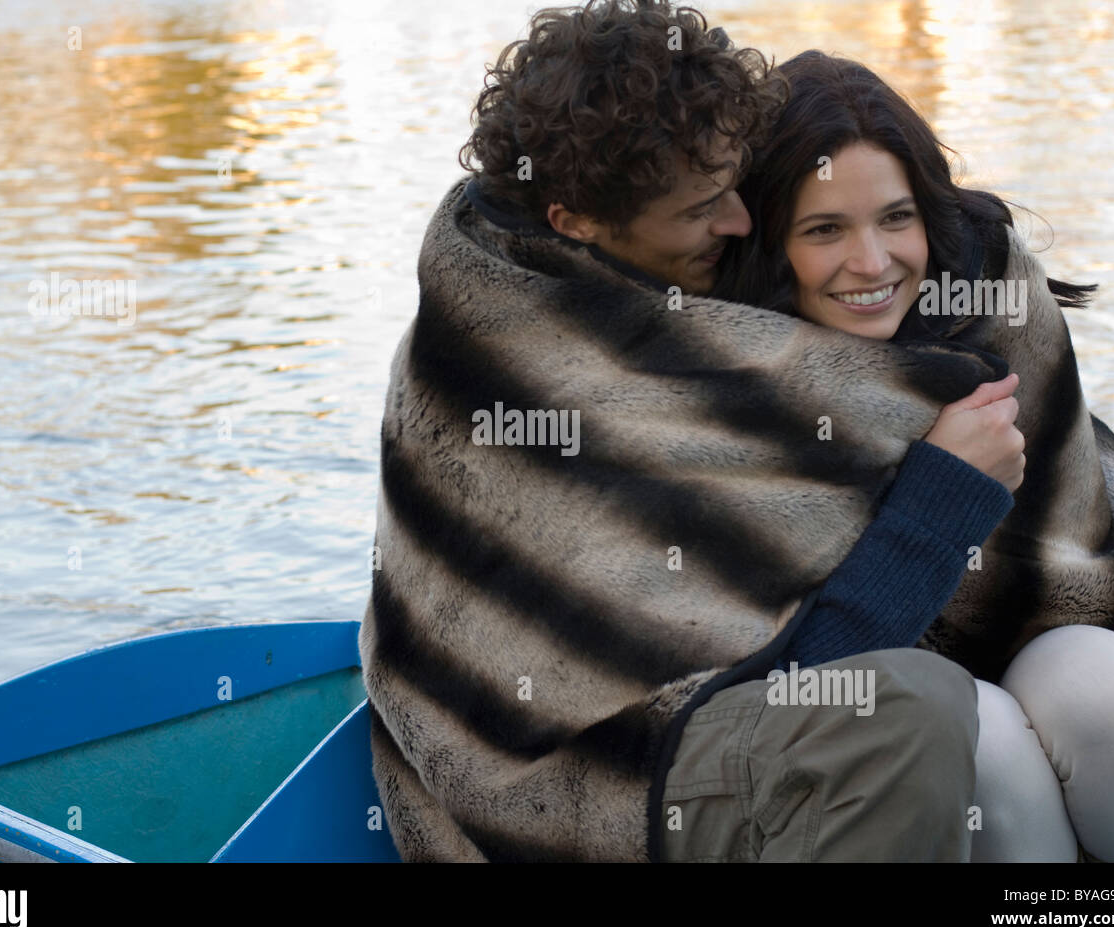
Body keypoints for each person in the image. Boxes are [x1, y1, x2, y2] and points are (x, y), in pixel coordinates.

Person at [362, 0, 1003, 863]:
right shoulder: (518, 363)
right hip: (565, 791)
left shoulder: (657, 309)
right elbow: (800, 670)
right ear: (575, 222)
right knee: (899, 717)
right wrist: (940, 504)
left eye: (736, 184)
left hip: (662, 759)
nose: (742, 222)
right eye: (704, 207)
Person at [714, 49, 1114, 863]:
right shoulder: (730, 380)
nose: (872, 262)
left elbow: (1084, 557)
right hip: (883, 704)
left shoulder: (994, 309)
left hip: (1052, 645)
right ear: (767, 244)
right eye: (825, 229)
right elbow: (776, 672)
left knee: (1103, 690)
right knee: (979, 733)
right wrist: (945, 489)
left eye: (896, 217)